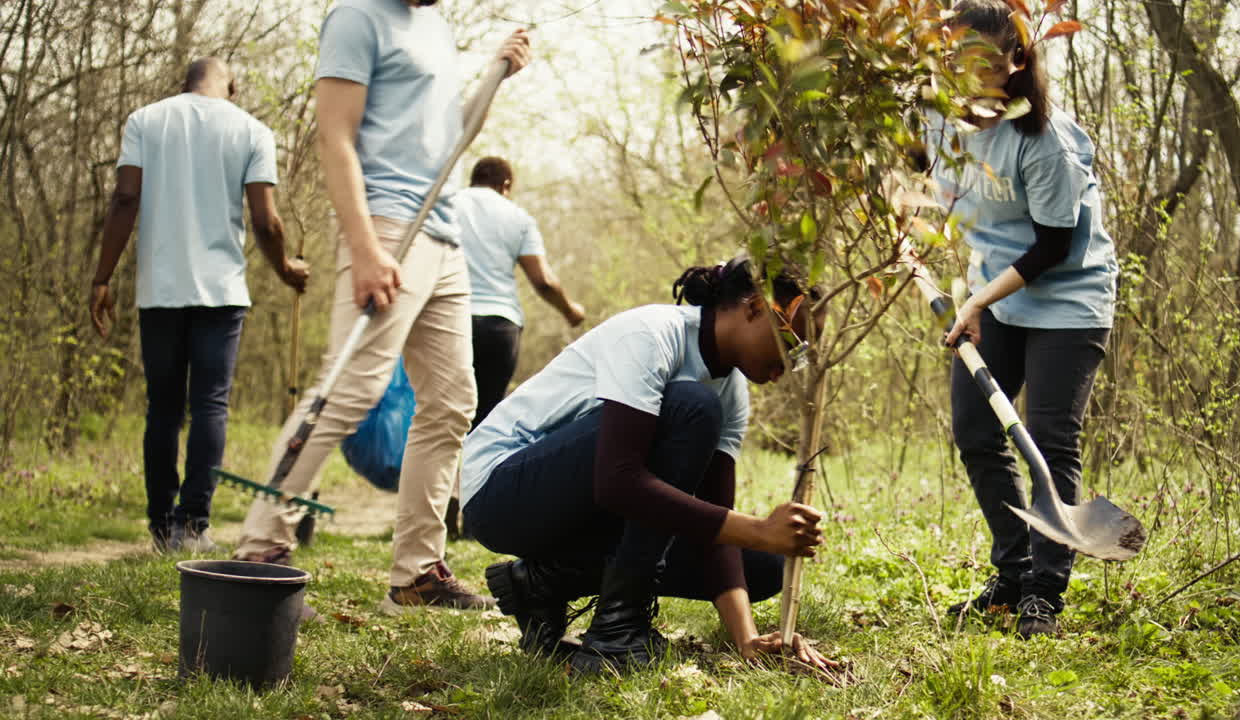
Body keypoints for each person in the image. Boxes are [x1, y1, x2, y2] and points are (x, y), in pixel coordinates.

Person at [231, 0, 531, 616]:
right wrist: (365, 246)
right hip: (389, 224)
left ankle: (416, 575)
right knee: (350, 388)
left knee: (452, 403)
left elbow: (453, 138)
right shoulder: (357, 19)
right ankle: (259, 552)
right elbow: (334, 135)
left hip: (446, 237)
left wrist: (495, 74)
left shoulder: (438, 30)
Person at [461, 255, 837, 674]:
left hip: (580, 512)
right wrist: (760, 529)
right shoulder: (651, 335)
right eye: (791, 344)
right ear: (754, 307)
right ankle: (616, 633)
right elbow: (617, 483)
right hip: (502, 492)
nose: (790, 365)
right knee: (692, 406)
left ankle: (540, 583)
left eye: (802, 355)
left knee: (762, 568)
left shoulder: (731, 391)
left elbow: (717, 531)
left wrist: (747, 639)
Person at [930, 0, 1119, 638]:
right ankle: (1013, 573)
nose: (968, 75)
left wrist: (978, 300)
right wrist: (911, 230)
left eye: (985, 62)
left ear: (1017, 61)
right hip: (994, 293)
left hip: (1069, 297)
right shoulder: (940, 127)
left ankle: (1045, 590)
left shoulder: (1043, 140)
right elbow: (949, 208)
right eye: (957, 61)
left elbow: (1053, 245)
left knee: (1048, 439)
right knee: (977, 432)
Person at [89, 57, 309, 554]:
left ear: (183, 82)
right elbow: (266, 221)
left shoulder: (146, 120)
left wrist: (102, 278)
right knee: (210, 404)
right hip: (221, 290)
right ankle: (193, 525)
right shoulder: (252, 130)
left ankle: (163, 528)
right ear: (231, 85)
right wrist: (286, 270)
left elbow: (125, 200)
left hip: (159, 290)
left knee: (162, 408)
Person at [443, 156, 585, 537]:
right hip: (499, 325)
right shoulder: (517, 217)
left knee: (440, 414)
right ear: (506, 183)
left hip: (449, 316)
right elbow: (542, 281)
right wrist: (570, 310)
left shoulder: (448, 204)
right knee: (486, 419)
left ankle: (442, 502)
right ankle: (474, 508)